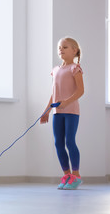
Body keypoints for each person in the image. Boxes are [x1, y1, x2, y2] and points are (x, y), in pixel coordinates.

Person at [40, 37, 84, 190]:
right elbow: (53, 94)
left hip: (71, 112)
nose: (61, 50)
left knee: (69, 142)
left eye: (65, 47)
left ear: (74, 50)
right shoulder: (56, 70)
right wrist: (46, 111)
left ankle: (76, 176)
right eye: (59, 47)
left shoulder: (75, 68)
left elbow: (80, 91)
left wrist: (66, 102)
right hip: (57, 113)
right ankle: (67, 175)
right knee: (58, 143)